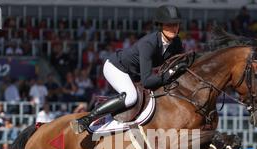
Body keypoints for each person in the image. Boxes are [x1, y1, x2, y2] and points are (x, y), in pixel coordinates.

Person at [71, 5, 186, 133]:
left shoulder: (176, 43)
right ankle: (86, 119)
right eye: (169, 25)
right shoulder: (149, 44)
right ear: (160, 25)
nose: (174, 28)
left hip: (134, 73)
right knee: (131, 97)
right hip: (116, 67)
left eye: (176, 25)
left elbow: (179, 63)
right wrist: (170, 73)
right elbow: (147, 81)